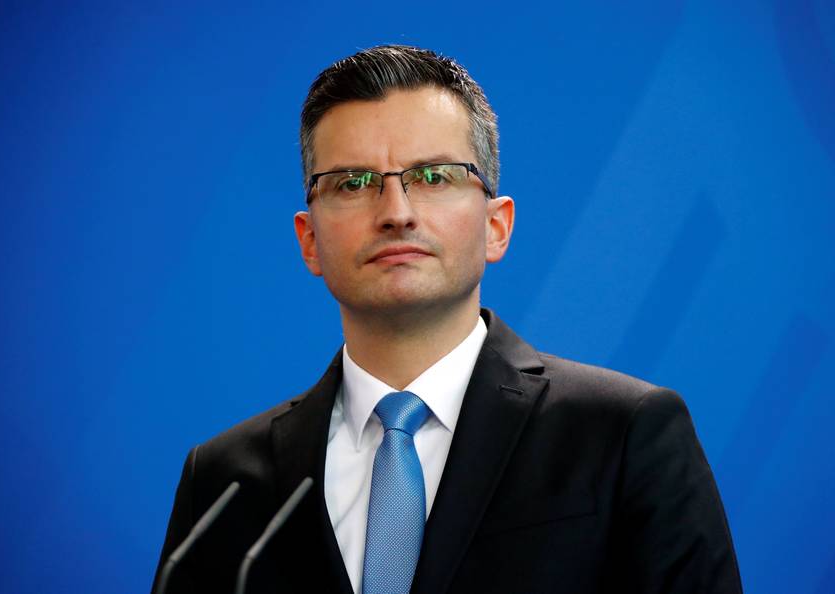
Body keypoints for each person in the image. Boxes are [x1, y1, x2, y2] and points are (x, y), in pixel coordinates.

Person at [152, 45, 742, 594]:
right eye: (352, 183)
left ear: (496, 226)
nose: (396, 213)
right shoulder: (223, 479)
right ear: (309, 239)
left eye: (433, 176)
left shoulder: (622, 433)